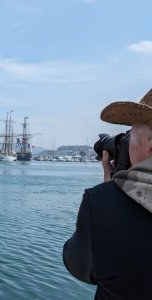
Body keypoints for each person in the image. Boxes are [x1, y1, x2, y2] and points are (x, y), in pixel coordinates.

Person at [63, 88, 152, 299]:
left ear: (149, 147)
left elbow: (77, 265)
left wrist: (109, 189)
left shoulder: (102, 203)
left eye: (131, 136)